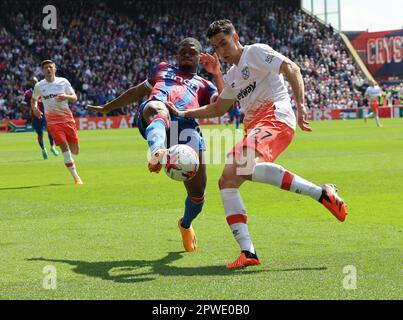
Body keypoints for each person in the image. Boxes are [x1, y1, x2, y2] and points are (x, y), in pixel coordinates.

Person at [166, 20, 348, 269]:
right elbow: (218, 107)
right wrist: (182, 113)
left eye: (224, 43)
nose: (222, 50)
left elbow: (291, 68)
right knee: (228, 180)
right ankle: (248, 252)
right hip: (257, 127)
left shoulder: (255, 52)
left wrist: (302, 105)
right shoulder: (231, 75)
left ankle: (322, 194)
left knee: (243, 164)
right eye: (217, 47)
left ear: (236, 37)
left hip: (275, 115)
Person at [87, 38, 224, 252]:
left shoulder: (205, 85)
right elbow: (137, 91)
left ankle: (185, 224)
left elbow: (222, 104)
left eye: (192, 52)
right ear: (177, 56)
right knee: (158, 108)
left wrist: (217, 73)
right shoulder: (162, 69)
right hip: (155, 111)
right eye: (182, 52)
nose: (187, 55)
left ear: (200, 57)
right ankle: (156, 152)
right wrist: (108, 107)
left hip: (186, 127)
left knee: (198, 192)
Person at [31, 60, 83, 185]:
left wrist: (66, 97)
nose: (48, 69)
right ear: (43, 71)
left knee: (75, 150)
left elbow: (74, 97)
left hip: (67, 119)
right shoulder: (39, 86)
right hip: (53, 122)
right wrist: (35, 109)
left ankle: (70, 160)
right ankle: (76, 177)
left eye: (50, 67)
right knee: (64, 147)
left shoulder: (63, 82)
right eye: (46, 68)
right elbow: (34, 100)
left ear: (55, 69)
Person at [22, 76, 59, 159]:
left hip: (47, 115)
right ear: (30, 83)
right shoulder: (28, 93)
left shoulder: (44, 90)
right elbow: (22, 105)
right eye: (32, 82)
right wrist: (32, 109)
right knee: (40, 134)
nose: (34, 83)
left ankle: (52, 147)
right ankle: (43, 150)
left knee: (51, 130)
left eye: (35, 81)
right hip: (36, 117)